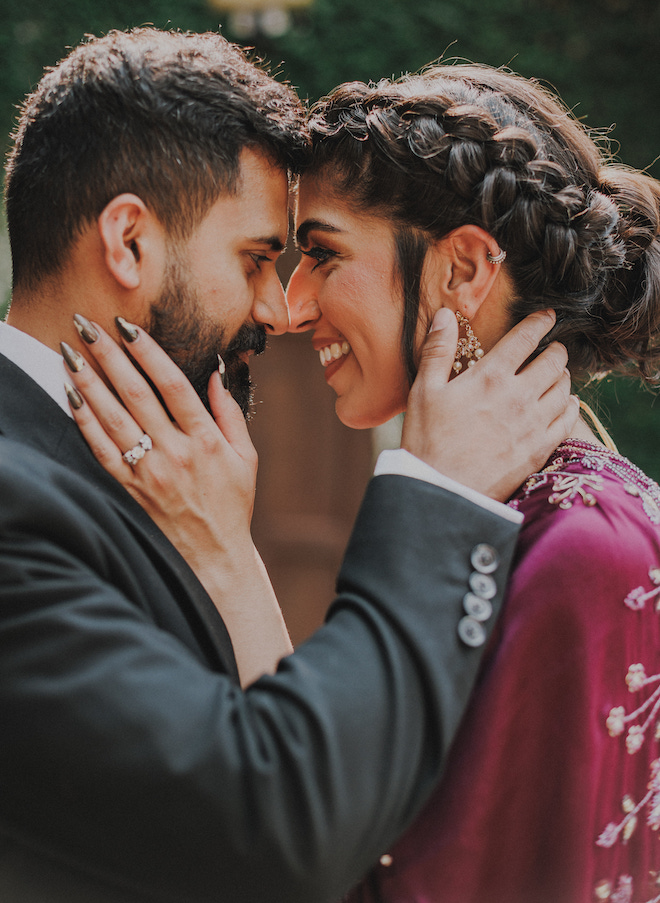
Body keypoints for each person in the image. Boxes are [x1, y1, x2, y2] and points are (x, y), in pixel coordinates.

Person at [0, 29, 577, 903]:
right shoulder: (13, 501)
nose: (280, 307)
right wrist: (439, 496)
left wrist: (225, 550)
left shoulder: (133, 468)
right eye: (259, 257)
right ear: (129, 243)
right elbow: (280, 819)